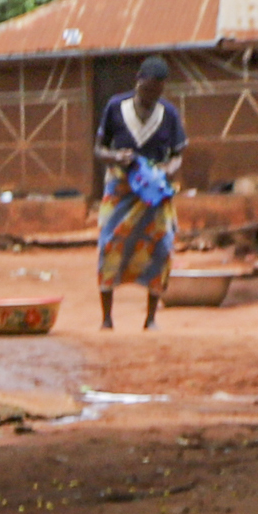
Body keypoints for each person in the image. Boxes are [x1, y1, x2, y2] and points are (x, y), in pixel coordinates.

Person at [93, 55, 185, 330]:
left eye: (156, 92)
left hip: (154, 192)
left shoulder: (168, 115)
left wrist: (168, 169)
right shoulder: (115, 108)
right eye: (147, 91)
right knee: (109, 244)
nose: (150, 97)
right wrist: (114, 156)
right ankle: (107, 318)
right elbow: (98, 150)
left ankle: (151, 318)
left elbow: (178, 154)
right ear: (138, 82)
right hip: (121, 188)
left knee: (161, 247)